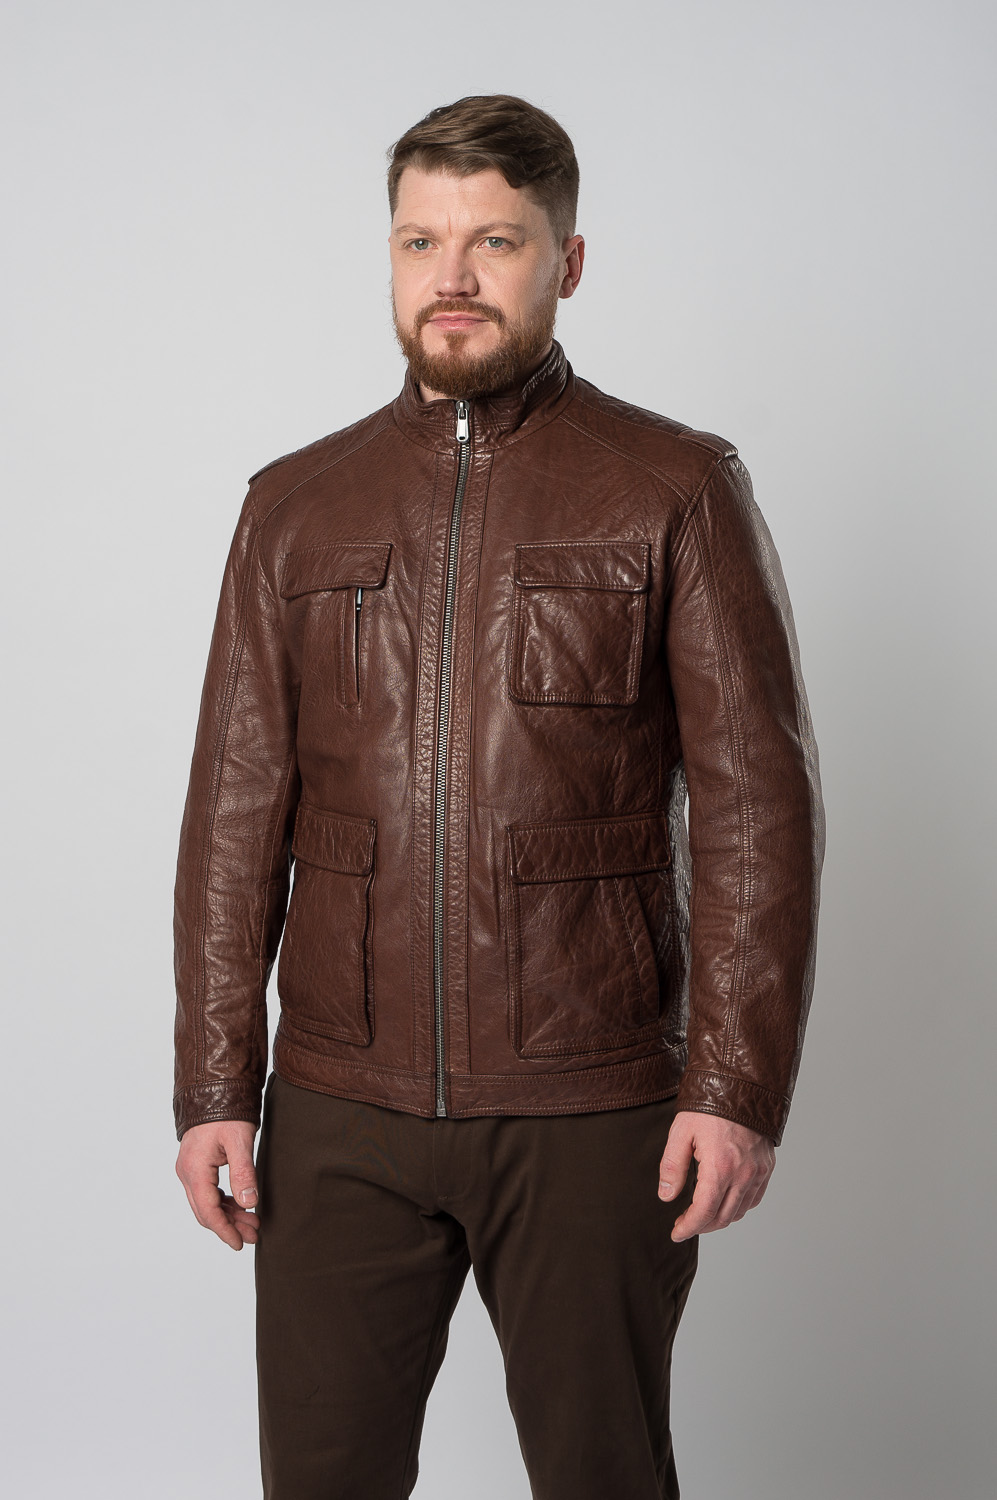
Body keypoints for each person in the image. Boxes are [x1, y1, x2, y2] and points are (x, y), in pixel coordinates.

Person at [173, 93, 825, 1500]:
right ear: (390, 256)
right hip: (338, 1107)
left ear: (566, 263)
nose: (452, 275)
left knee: (603, 1476)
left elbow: (758, 811)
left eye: (495, 241)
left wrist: (735, 1085)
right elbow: (233, 817)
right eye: (422, 240)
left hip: (590, 1102)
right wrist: (215, 1085)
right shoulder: (293, 504)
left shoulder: (674, 487)